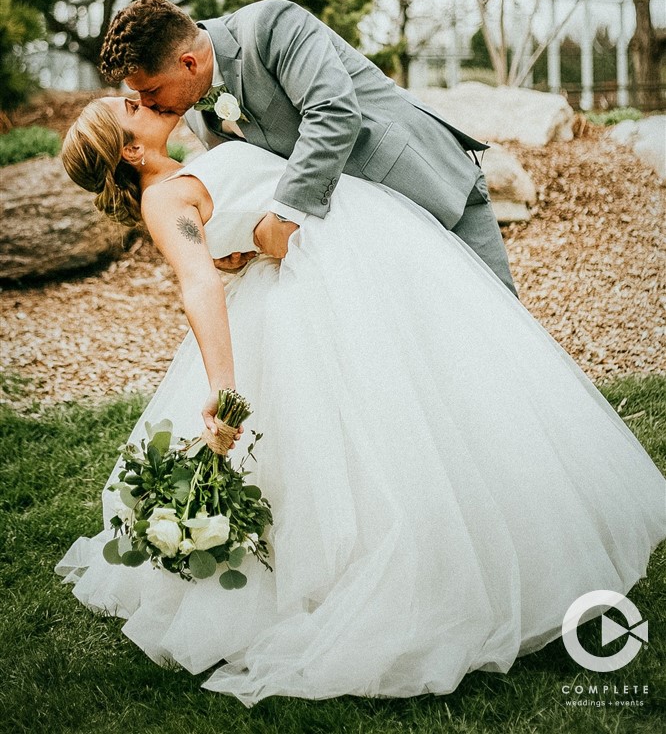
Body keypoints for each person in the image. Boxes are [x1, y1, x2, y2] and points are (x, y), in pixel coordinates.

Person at [54, 96, 666, 707]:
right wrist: (221, 384)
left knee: (437, 402)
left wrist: (239, 243)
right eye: (131, 107)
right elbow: (198, 281)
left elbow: (235, 227)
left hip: (352, 254)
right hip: (318, 291)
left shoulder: (188, 164)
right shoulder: (163, 199)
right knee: (373, 432)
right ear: (133, 150)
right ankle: (401, 581)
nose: (143, 98)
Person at [97, 0, 518, 295]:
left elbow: (333, 113)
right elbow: (252, 173)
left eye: (150, 90)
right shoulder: (191, 104)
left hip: (421, 184)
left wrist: (283, 218)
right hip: (363, 232)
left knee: (500, 327)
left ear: (189, 63)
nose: (147, 103)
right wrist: (232, 242)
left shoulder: (272, 25)